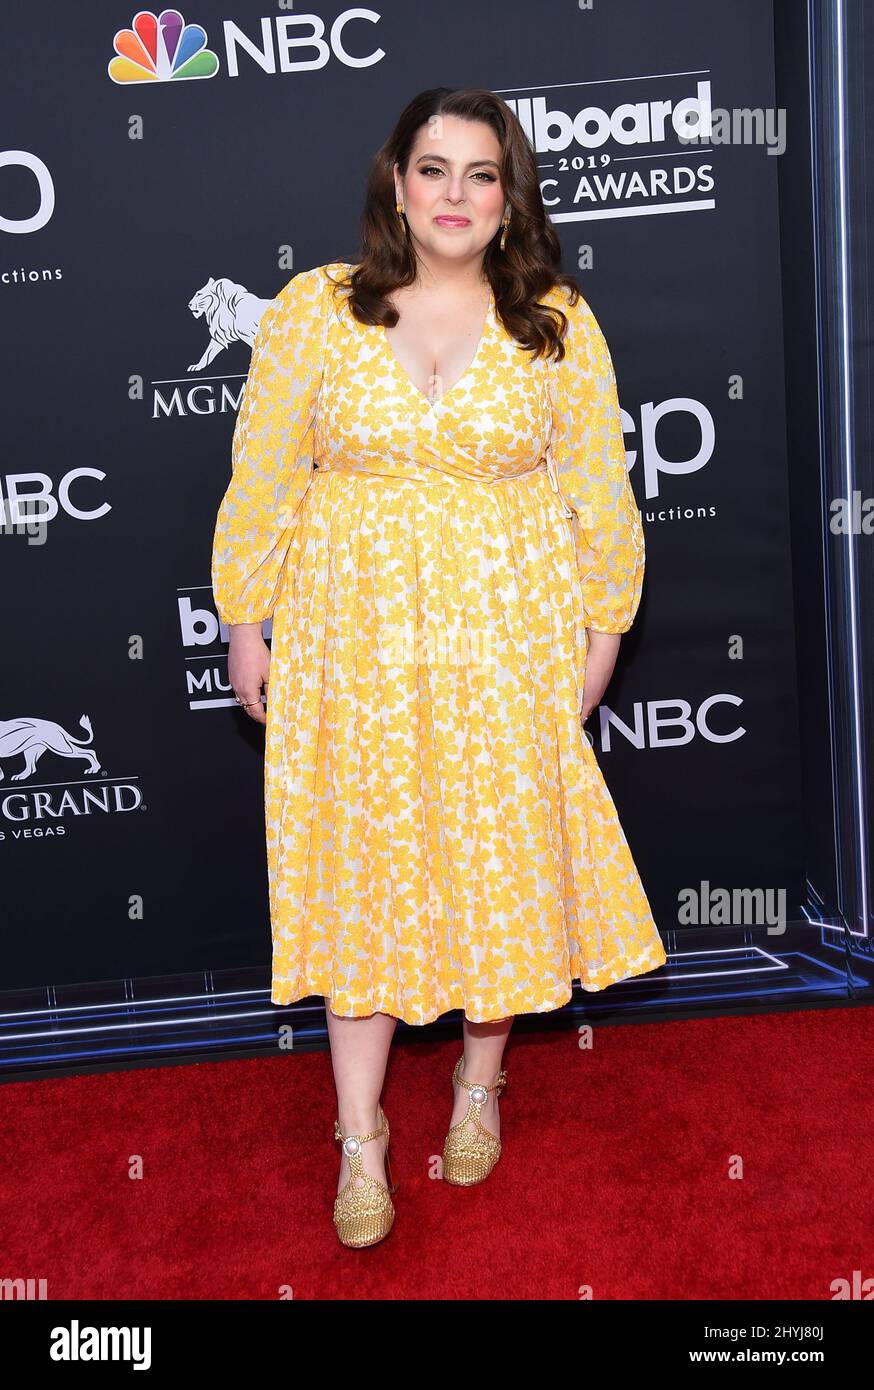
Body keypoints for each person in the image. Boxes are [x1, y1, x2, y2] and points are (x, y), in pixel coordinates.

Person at [211, 86, 667, 1250]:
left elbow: (596, 487)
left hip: (508, 628)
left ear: (509, 194)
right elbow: (262, 473)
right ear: (395, 181)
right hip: (351, 634)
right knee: (360, 865)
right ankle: (359, 1135)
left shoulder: (555, 319)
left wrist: (604, 625)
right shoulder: (317, 309)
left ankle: (479, 1080)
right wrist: (245, 620)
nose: (454, 195)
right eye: (433, 168)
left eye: (479, 173)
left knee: (496, 862)